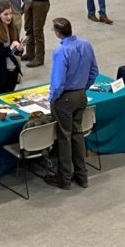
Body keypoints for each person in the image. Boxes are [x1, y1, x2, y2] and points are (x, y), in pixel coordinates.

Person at [44, 18, 99, 190]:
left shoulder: (61, 51)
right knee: (77, 134)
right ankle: (82, 176)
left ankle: (65, 177)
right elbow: (94, 71)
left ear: (58, 33)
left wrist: (52, 98)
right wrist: (83, 88)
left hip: (65, 99)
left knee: (64, 137)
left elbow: (59, 82)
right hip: (81, 95)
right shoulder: (86, 44)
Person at [0, 0, 24, 96]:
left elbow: (14, 52)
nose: (9, 17)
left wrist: (19, 49)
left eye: (11, 13)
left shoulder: (13, 28)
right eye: (5, 14)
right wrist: (9, 49)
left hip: (11, 74)